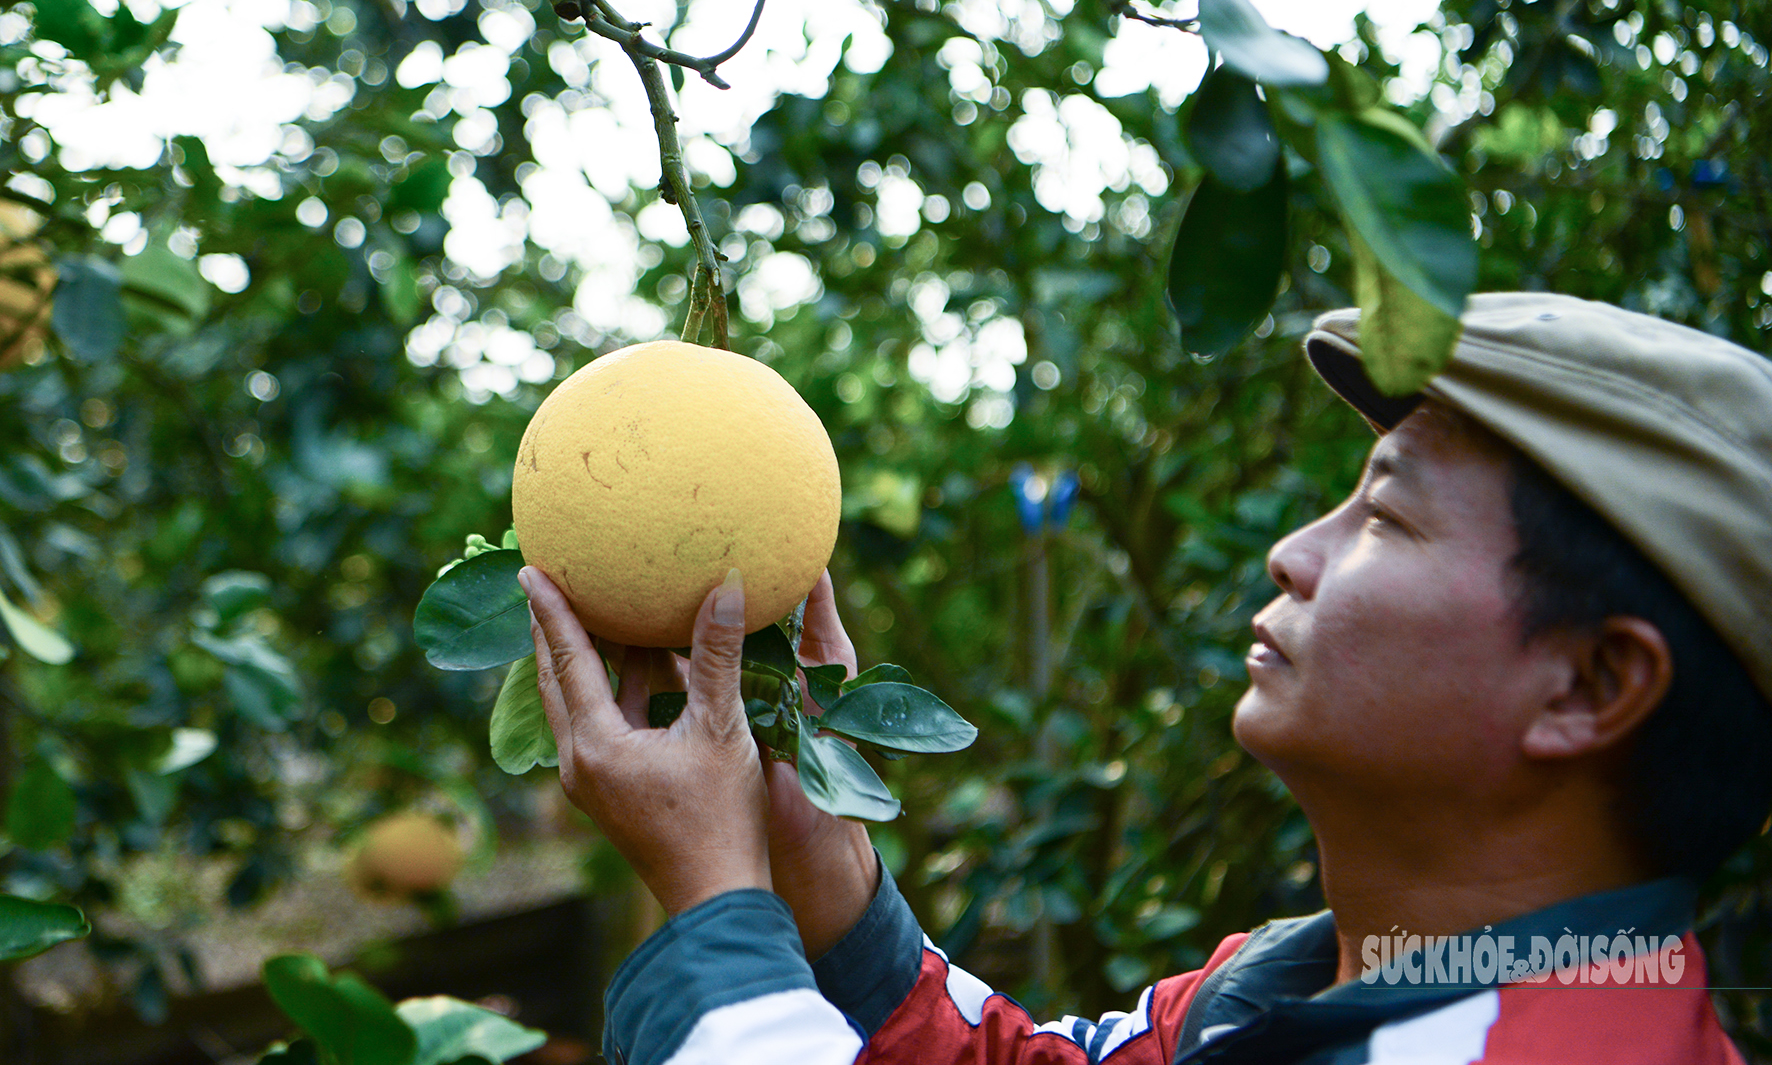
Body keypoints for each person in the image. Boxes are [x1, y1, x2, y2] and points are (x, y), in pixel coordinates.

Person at [519, 292, 1772, 1065]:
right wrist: (818, 875)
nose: (1293, 552)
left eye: (1386, 517)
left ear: (1588, 685)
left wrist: (711, 917)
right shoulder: (1301, 988)